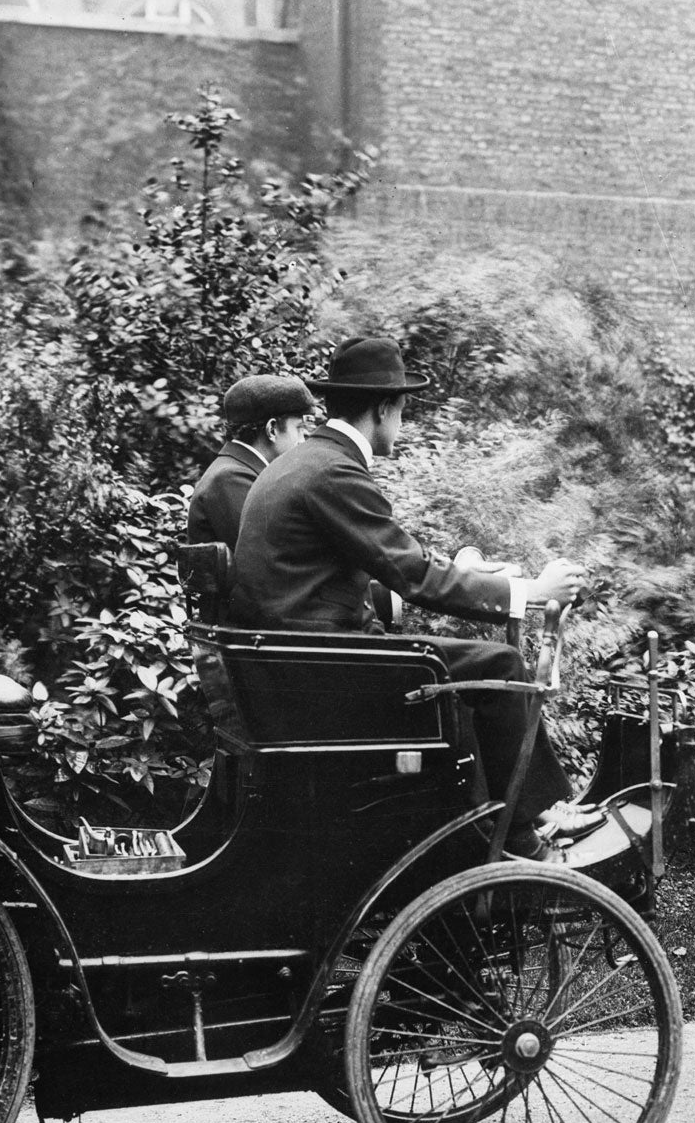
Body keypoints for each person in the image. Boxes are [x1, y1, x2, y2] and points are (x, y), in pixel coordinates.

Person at [230, 336, 588, 860]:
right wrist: (532, 592)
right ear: (383, 409)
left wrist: (458, 571)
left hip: (299, 663)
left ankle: (507, 823)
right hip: (324, 671)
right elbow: (414, 574)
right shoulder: (332, 471)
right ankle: (523, 830)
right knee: (502, 663)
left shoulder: (304, 463)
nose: (402, 422)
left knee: (467, 670)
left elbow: (388, 562)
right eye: (402, 411)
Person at [186, 374, 316, 548]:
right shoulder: (231, 478)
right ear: (272, 429)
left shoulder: (240, 471)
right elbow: (274, 552)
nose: (303, 440)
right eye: (299, 428)